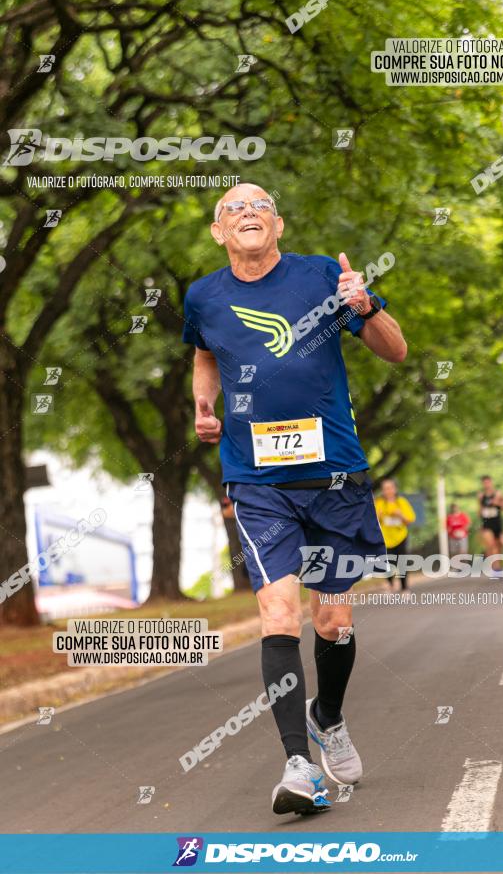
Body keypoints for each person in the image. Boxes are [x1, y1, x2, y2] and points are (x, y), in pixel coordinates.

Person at [184, 183, 407, 815]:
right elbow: (204, 352)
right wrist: (205, 404)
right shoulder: (203, 295)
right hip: (257, 484)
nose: (247, 213)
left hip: (334, 478)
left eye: (259, 206)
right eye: (234, 208)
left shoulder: (320, 278)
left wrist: (363, 307)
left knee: (332, 622)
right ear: (218, 232)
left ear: (278, 224)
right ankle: (299, 766)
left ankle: (327, 716)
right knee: (278, 613)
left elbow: (396, 351)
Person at [374, 479, 415, 590]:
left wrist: (400, 515)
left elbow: (410, 520)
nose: (387, 491)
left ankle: (404, 587)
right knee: (387, 563)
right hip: (385, 539)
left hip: (400, 536)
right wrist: (379, 515)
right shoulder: (379, 503)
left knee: (401, 562)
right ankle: (391, 584)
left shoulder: (401, 502)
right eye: (385, 488)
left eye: (390, 488)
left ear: (395, 489)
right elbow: (372, 521)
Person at [478, 475, 503, 575]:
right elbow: (480, 510)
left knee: (499, 546)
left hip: (497, 523)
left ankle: (498, 565)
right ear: (483, 484)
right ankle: (495, 568)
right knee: (490, 545)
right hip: (487, 524)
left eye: (488, 482)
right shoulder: (481, 496)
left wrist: (498, 504)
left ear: (491, 483)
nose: (486, 485)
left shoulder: (498, 494)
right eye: (484, 483)